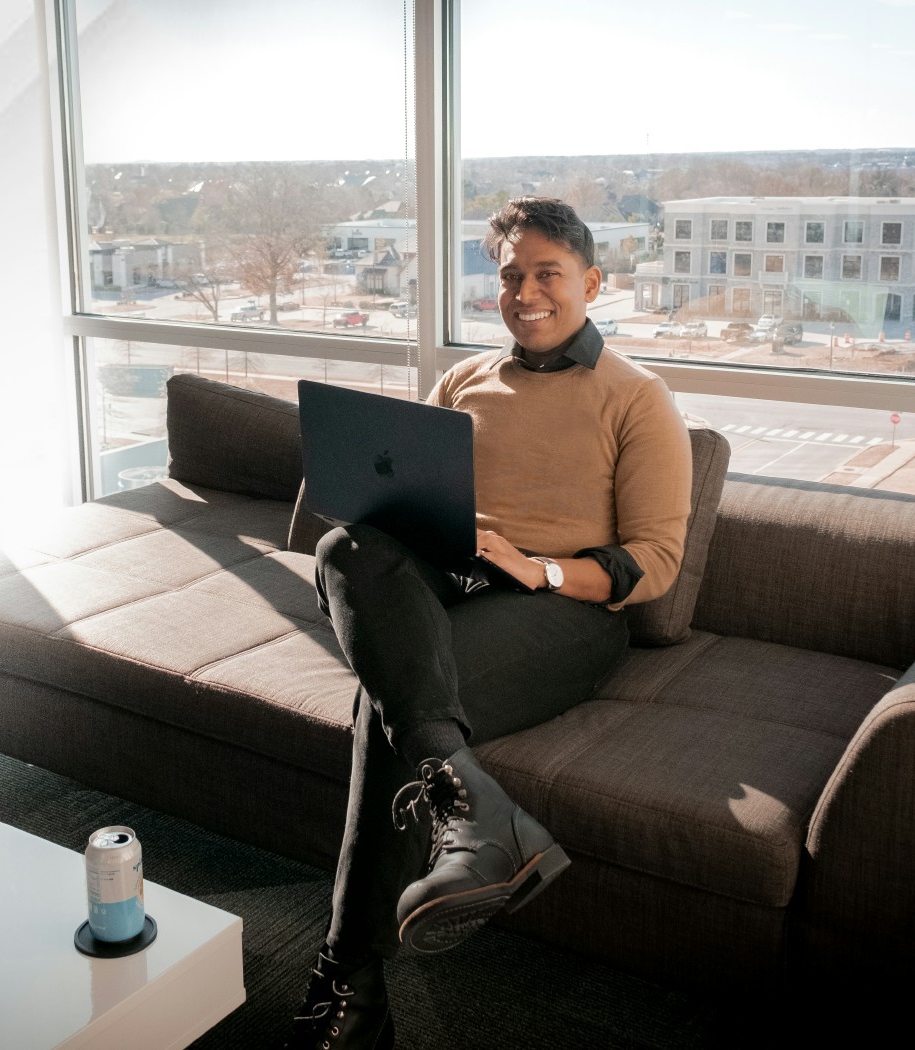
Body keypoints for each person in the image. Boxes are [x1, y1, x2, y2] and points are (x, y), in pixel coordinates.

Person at [284, 197, 693, 1049]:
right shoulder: (465, 379)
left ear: (592, 281)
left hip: (563, 612)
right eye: (511, 276)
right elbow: (402, 501)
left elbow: (653, 564)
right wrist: (385, 507)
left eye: (548, 273)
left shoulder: (639, 400)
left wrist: (537, 566)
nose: (526, 291)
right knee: (343, 547)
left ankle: (347, 978)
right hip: (444, 582)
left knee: (386, 707)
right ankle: (483, 816)